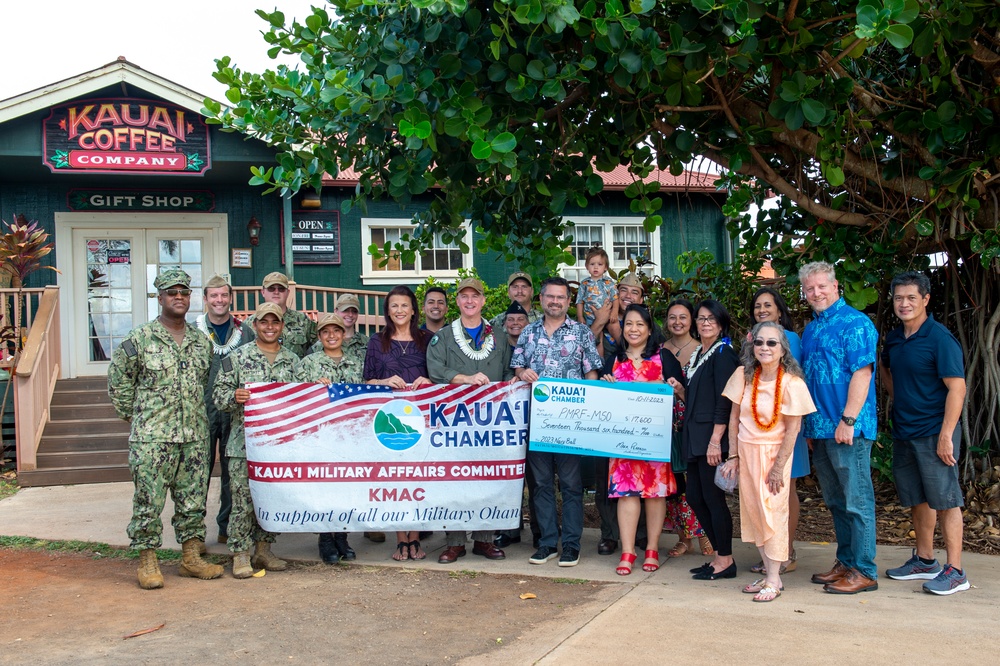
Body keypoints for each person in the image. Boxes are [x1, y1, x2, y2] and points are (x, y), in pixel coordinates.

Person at [108, 269, 223, 589]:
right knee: (149, 501)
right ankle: (147, 560)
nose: (178, 297)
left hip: (194, 437)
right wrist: (139, 418)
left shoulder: (202, 343)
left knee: (193, 500)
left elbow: (202, 384)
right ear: (159, 297)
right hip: (152, 438)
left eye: (184, 292)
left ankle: (190, 557)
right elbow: (119, 382)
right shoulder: (139, 339)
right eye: (171, 292)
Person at [880, 271, 969, 595]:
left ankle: (956, 570)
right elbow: (886, 367)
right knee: (917, 499)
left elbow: (957, 389)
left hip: (935, 432)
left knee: (946, 500)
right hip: (905, 431)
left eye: (911, 298)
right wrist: (898, 397)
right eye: (899, 298)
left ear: (926, 300)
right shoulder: (894, 338)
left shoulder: (939, 338)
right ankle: (926, 559)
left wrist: (946, 435)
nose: (904, 304)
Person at [511, 277, 604, 567]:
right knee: (540, 484)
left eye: (561, 297)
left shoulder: (582, 333)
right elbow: (517, 365)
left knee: (571, 485)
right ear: (541, 299)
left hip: (570, 425)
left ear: (567, 301)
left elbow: (591, 373)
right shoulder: (529, 332)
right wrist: (523, 372)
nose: (555, 301)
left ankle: (572, 545)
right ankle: (548, 542)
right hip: (536, 422)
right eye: (550, 296)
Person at [799, 261, 880, 594]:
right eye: (809, 289)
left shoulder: (855, 323)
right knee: (835, 501)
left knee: (857, 501)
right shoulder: (812, 329)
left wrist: (848, 419)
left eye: (821, 286)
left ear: (835, 287)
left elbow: (863, 373)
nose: (816, 293)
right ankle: (846, 562)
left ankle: (864, 569)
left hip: (848, 428)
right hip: (819, 430)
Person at [722, 321, 816, 601]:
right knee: (753, 513)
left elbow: (793, 429)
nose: (764, 347)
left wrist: (778, 467)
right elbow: (734, 418)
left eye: (771, 343)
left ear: (783, 349)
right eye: (759, 342)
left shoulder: (792, 382)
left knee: (773, 513)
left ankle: (775, 578)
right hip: (747, 452)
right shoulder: (743, 375)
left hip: (774, 454)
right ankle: (768, 574)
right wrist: (733, 455)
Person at [427, 277, 512, 563]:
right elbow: (435, 368)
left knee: (488, 477)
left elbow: (510, 371)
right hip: (455, 421)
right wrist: (464, 379)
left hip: (490, 423)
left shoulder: (498, 335)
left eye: (475, 296)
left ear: (483, 300)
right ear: (458, 302)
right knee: (455, 478)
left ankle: (485, 540)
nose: (470, 301)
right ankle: (454, 542)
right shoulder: (445, 336)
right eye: (464, 296)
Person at [213, 302, 298, 578]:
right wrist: (233, 396)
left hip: (278, 446)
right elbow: (218, 395)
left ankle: (263, 550)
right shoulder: (238, 358)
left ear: (281, 326)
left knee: (271, 499)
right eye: (264, 322)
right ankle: (240, 554)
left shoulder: (293, 360)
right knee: (242, 500)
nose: (270, 327)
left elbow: (303, 398)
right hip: (244, 444)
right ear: (255, 325)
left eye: (275, 322)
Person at [600, 304, 677, 575]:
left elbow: (680, 394)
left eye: (640, 325)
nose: (633, 329)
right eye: (629, 324)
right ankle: (628, 551)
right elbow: (599, 403)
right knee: (626, 494)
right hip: (621, 442)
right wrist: (605, 384)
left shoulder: (663, 357)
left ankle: (653, 548)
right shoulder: (613, 360)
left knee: (654, 494)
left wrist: (674, 388)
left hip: (653, 440)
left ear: (649, 329)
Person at [671, 299, 740, 581]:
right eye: (701, 318)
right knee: (697, 498)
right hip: (694, 436)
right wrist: (679, 390)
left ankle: (725, 559)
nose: (705, 323)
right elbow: (698, 397)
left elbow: (725, 400)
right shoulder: (701, 352)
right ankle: (719, 557)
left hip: (711, 439)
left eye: (711, 318)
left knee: (712, 499)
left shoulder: (723, 353)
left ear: (721, 323)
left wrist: (716, 441)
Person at [363, 285, 433, 560]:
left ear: (414, 310)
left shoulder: (427, 340)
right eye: (394, 306)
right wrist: (382, 381)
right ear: (387, 311)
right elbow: (366, 379)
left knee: (417, 476)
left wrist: (428, 380)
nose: (400, 310)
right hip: (387, 422)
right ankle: (400, 539)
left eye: (405, 305)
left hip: (421, 420)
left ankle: (415, 538)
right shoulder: (376, 341)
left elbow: (439, 376)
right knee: (394, 477)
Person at [746, 287, 808, 575]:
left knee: (783, 491)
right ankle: (772, 554)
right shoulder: (753, 340)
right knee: (763, 498)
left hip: (785, 429)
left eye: (767, 305)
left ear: (780, 311)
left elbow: (790, 379)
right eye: (757, 305)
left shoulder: (789, 339)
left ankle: (786, 552)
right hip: (755, 433)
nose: (761, 309)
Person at [295, 313, 363, 565]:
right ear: (319, 336)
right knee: (323, 487)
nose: (332, 335)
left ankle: (342, 537)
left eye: (336, 331)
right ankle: (325, 538)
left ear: (344, 334)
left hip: (349, 437)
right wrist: (313, 387)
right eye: (325, 332)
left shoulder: (356, 363)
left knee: (346, 487)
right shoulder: (308, 363)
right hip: (320, 436)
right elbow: (296, 397)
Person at [196, 274, 255, 545]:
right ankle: (194, 534)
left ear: (230, 298)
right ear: (206, 298)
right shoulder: (193, 330)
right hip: (202, 410)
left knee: (233, 472)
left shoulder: (246, 332)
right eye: (213, 296)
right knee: (197, 472)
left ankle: (227, 526)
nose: (219, 300)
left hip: (236, 410)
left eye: (223, 295)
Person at [595, 271, 650, 556]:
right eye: (623, 291)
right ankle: (610, 535)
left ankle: (639, 536)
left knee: (640, 479)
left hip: (642, 426)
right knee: (608, 479)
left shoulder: (654, 340)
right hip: (610, 423)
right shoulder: (612, 345)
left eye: (635, 292)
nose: (629, 296)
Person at [661, 298, 712, 559]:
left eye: (683, 316)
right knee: (675, 482)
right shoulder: (658, 350)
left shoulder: (702, 349)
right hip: (664, 421)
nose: (677, 322)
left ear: (691, 320)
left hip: (693, 420)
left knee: (697, 481)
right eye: (672, 317)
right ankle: (684, 538)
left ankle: (705, 534)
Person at [494, 299, 541, 550]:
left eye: (520, 320)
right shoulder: (498, 346)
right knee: (508, 478)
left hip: (534, 418)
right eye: (510, 320)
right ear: (504, 324)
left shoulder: (535, 342)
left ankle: (539, 529)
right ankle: (508, 529)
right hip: (506, 421)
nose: (515, 324)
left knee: (536, 480)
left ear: (527, 323)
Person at [254, 272, 316, 359]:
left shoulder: (303, 320)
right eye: (271, 289)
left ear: (288, 292)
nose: (276, 292)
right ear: (263, 292)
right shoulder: (251, 322)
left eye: (281, 289)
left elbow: (317, 349)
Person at [575, 246, 618, 355]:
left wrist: (614, 312)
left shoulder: (609, 282)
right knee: (597, 340)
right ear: (586, 266)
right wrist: (580, 316)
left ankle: (620, 352)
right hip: (589, 317)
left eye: (599, 264)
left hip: (607, 315)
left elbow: (615, 299)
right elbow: (580, 301)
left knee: (611, 333)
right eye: (592, 264)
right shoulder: (584, 284)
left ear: (605, 267)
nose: (595, 267)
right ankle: (599, 362)